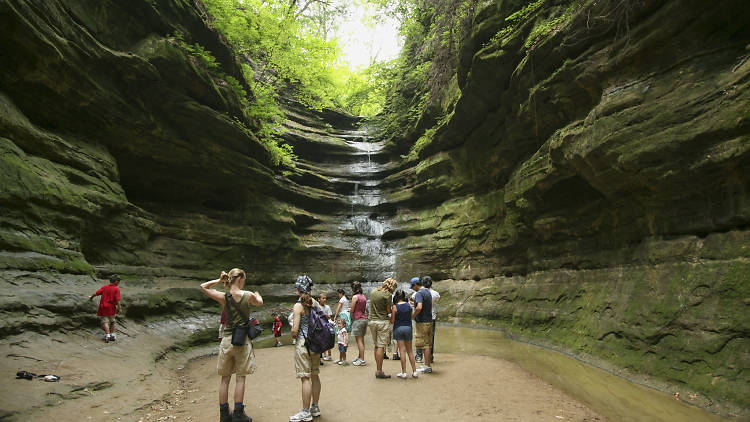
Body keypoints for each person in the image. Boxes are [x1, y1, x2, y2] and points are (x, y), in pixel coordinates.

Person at [200, 268, 263, 422]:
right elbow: (259, 303)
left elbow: (203, 287)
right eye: (244, 280)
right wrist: (258, 294)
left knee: (225, 379)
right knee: (240, 378)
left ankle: (224, 414)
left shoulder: (223, 297)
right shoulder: (248, 295)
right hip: (242, 341)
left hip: (227, 340)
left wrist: (219, 280)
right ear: (240, 278)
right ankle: (238, 414)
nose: (244, 283)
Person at [290, 275, 323, 422]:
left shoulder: (298, 306)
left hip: (303, 344)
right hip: (315, 344)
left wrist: (292, 330)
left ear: (298, 289)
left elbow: (295, 331)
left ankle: (305, 411)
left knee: (305, 378)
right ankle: (315, 407)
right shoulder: (315, 303)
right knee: (315, 375)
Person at [369, 278, 396, 378]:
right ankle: (379, 371)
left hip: (372, 321)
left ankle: (378, 369)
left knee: (376, 345)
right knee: (381, 346)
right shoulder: (387, 295)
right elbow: (388, 311)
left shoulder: (373, 292)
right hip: (382, 322)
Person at [391, 289, 418, 378]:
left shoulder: (395, 307)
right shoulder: (409, 305)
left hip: (398, 328)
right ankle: (414, 371)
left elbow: (392, 321)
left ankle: (404, 372)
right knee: (410, 351)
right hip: (408, 328)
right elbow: (411, 317)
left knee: (402, 350)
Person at [88, 274, 122, 343]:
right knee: (112, 321)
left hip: (103, 307)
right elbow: (118, 300)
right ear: (116, 282)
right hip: (111, 308)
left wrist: (91, 297)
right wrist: (120, 308)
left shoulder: (104, 287)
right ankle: (111, 334)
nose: (119, 283)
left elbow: (96, 293)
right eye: (118, 281)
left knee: (105, 322)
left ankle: (108, 335)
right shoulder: (116, 289)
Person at [411, 277, 433, 374]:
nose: (412, 288)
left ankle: (427, 366)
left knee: (424, 345)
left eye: (412, 286)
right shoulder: (428, 292)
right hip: (429, 321)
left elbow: (419, 307)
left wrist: (413, 316)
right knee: (427, 344)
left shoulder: (419, 293)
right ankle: (427, 365)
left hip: (422, 322)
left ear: (416, 284)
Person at [349, 281, 368, 366]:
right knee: (362, 340)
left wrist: (351, 316)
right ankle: (360, 357)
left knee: (359, 340)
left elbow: (352, 309)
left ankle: (362, 360)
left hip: (357, 320)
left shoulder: (355, 297)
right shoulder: (363, 297)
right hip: (364, 319)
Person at [423, 276, 440, 361]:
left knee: (421, 337)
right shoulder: (435, 293)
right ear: (431, 284)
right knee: (431, 337)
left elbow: (413, 299)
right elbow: (437, 298)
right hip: (432, 317)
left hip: (422, 317)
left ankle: (419, 356)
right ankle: (430, 356)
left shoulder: (419, 293)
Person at [319, 293, 333, 361]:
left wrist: (325, 315)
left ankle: (329, 355)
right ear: (319, 299)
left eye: (325, 298)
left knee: (328, 340)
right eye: (323, 298)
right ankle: (323, 354)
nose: (325, 299)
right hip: (320, 326)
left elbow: (329, 316)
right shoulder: (317, 307)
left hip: (326, 325)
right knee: (321, 341)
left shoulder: (327, 307)